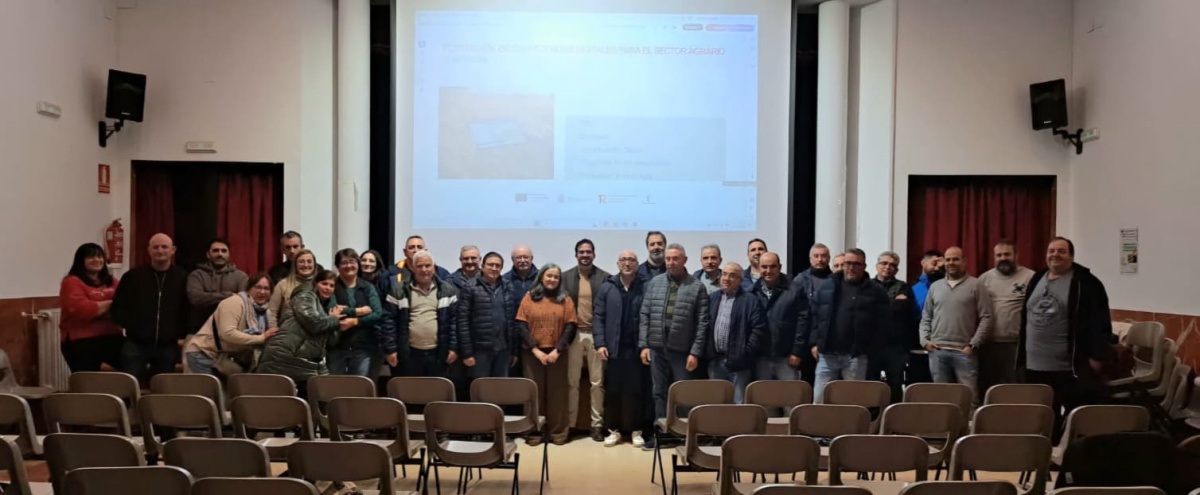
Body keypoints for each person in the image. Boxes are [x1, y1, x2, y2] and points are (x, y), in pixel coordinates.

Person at [1018, 237, 1113, 432]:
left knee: (1075, 419)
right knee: (1042, 418)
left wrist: (1097, 356)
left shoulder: (1086, 283)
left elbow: (1101, 321)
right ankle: (1045, 448)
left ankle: (1070, 449)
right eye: (1051, 251)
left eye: (1061, 251)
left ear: (1071, 256)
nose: (1055, 255)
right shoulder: (1037, 278)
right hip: (1034, 365)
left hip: (1068, 366)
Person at [639, 244, 709, 421]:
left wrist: (695, 352)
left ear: (684, 260)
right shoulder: (655, 283)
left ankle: (684, 431)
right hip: (656, 349)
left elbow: (702, 323)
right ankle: (661, 430)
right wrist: (644, 345)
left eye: (675, 259)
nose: (671, 262)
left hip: (682, 351)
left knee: (683, 393)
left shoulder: (697, 287)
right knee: (658, 392)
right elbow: (645, 314)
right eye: (668, 259)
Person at [258, 269, 353, 398]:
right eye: (324, 284)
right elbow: (313, 323)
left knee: (325, 396)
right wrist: (334, 320)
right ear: (315, 284)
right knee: (317, 397)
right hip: (285, 356)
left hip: (305, 361)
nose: (328, 288)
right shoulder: (305, 295)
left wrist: (337, 325)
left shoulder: (325, 308)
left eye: (332, 285)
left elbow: (330, 341)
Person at [809, 249, 888, 404]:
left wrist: (870, 350)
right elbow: (815, 316)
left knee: (852, 403)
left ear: (864, 266)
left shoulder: (876, 291)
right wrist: (814, 343)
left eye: (856, 264)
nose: (851, 267)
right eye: (848, 263)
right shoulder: (828, 285)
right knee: (819, 401)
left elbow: (882, 325)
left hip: (855, 356)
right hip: (827, 354)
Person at [920, 246, 993, 405]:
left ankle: (970, 423)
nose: (951, 263)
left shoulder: (976, 285)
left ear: (964, 261)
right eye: (948, 259)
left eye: (955, 259)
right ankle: (945, 423)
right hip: (938, 352)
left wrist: (973, 345)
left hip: (964, 352)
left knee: (969, 399)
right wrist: (925, 341)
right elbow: (926, 316)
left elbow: (986, 317)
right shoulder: (935, 287)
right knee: (942, 400)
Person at [112, 233, 189, 382]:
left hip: (168, 346)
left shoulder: (183, 278)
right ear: (149, 250)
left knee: (163, 387)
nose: (160, 251)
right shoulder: (132, 276)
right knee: (129, 385)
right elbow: (118, 306)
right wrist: (132, 326)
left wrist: (178, 331)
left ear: (173, 250)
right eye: (155, 247)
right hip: (135, 344)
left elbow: (187, 308)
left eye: (164, 247)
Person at [594, 251, 651, 448]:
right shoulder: (607, 287)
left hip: (637, 349)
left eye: (631, 260)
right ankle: (613, 430)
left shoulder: (645, 286)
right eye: (623, 260)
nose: (627, 263)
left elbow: (650, 316)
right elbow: (598, 316)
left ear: (637, 264)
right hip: (613, 349)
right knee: (613, 390)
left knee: (636, 391)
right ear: (618, 264)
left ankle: (636, 430)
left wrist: (646, 345)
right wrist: (600, 343)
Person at [516, 264, 577, 446]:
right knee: (533, 393)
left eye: (556, 277)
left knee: (557, 395)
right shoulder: (529, 297)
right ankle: (534, 432)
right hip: (532, 354)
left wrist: (557, 350)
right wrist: (535, 349)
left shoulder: (565, 299)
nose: (552, 279)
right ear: (541, 277)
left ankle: (558, 432)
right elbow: (521, 325)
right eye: (549, 276)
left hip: (557, 353)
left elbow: (570, 326)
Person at [561, 239, 611, 441]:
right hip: (573, 336)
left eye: (588, 252)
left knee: (597, 383)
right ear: (576, 255)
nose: (585, 255)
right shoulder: (565, 277)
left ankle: (596, 425)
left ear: (594, 254)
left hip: (596, 336)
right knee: (571, 382)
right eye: (581, 252)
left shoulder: (605, 278)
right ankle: (571, 424)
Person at [380, 250, 459, 379]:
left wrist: (453, 348)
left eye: (427, 265)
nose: (424, 270)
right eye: (419, 266)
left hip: (439, 354)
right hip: (408, 354)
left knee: (437, 389)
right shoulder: (398, 290)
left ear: (434, 267)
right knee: (410, 390)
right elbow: (388, 322)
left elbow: (454, 322)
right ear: (413, 268)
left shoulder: (447, 290)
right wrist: (390, 350)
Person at [183, 273, 278, 375]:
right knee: (211, 386)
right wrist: (260, 338)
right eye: (258, 287)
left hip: (224, 358)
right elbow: (228, 333)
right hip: (204, 354)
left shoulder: (265, 312)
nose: (262, 292)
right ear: (249, 289)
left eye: (266, 288)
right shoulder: (235, 302)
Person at [977, 239, 1035, 393]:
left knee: (1016, 390)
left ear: (1016, 255)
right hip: (989, 345)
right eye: (999, 255)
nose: (1003, 258)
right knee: (990, 390)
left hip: (1018, 345)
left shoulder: (1030, 277)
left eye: (1007, 254)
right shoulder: (983, 279)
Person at [705, 263, 766, 404]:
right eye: (724, 274)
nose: (726, 278)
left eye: (732, 276)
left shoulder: (750, 300)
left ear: (740, 280)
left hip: (740, 363)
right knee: (716, 404)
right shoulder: (712, 298)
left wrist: (745, 352)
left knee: (739, 404)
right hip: (715, 361)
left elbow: (758, 329)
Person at [59, 243, 123, 372]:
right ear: (81, 260)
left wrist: (98, 308)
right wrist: (112, 304)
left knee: (133, 359)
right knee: (91, 376)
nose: (96, 260)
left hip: (112, 336)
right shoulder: (71, 282)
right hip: (81, 340)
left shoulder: (113, 281)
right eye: (91, 257)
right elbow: (82, 310)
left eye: (99, 256)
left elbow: (124, 305)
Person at [868, 251, 918, 404]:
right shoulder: (867, 285)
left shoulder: (903, 287)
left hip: (895, 345)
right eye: (884, 263)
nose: (887, 267)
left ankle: (894, 415)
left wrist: (879, 307)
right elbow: (867, 311)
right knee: (870, 384)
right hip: (871, 344)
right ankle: (871, 415)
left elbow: (905, 311)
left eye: (892, 265)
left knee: (895, 384)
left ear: (896, 270)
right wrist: (894, 304)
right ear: (876, 266)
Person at [457, 252, 518, 379]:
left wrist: (514, 351)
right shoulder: (470, 287)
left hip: (504, 350)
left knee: (500, 387)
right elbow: (462, 321)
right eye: (490, 265)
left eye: (498, 266)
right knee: (481, 387)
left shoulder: (508, 286)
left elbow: (513, 321)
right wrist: (467, 353)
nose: (494, 268)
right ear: (482, 266)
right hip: (480, 350)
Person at [327, 248, 383, 377]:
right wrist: (358, 311)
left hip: (363, 347)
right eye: (344, 263)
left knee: (359, 385)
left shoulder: (368, 287)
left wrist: (355, 321)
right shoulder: (332, 286)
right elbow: (332, 309)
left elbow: (377, 314)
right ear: (337, 266)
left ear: (358, 264)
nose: (349, 266)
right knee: (334, 384)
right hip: (337, 346)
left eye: (352, 262)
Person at [753, 252, 808, 383]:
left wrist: (797, 351)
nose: (768, 271)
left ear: (780, 267)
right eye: (764, 267)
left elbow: (803, 322)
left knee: (790, 395)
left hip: (787, 357)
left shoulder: (795, 290)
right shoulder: (752, 292)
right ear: (759, 268)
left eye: (772, 266)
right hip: (760, 357)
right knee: (762, 395)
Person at [791, 243, 834, 383]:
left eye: (823, 256)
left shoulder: (836, 281)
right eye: (816, 256)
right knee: (806, 382)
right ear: (810, 259)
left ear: (829, 258)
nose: (820, 259)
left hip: (828, 342)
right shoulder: (800, 280)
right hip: (804, 341)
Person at [186, 238, 249, 331]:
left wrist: (208, 297)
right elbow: (195, 298)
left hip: (231, 330)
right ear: (208, 254)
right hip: (200, 330)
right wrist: (229, 295)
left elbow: (244, 301)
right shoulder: (196, 275)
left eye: (224, 251)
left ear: (229, 255)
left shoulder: (241, 276)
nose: (220, 254)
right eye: (216, 251)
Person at [908, 249, 945, 384]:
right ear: (923, 262)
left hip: (941, 336)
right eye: (934, 263)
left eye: (940, 265)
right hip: (916, 337)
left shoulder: (947, 286)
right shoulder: (911, 287)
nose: (936, 268)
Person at [268, 249, 318, 324]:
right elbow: (272, 312)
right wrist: (273, 328)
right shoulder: (283, 285)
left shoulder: (320, 285)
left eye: (309, 261)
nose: (306, 265)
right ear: (295, 265)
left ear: (314, 265)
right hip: (288, 329)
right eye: (301, 262)